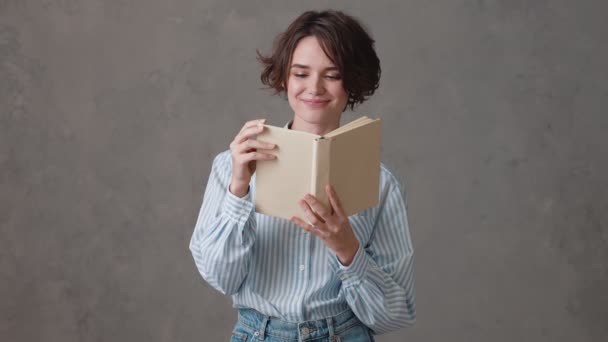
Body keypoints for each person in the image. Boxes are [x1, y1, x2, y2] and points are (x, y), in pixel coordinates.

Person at [190, 10, 416, 341]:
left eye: (332, 75)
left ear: (352, 81)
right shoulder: (233, 165)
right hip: (258, 333)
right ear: (284, 77)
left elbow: (396, 313)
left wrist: (347, 249)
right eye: (300, 73)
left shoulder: (380, 184)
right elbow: (221, 278)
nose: (314, 88)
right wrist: (239, 190)